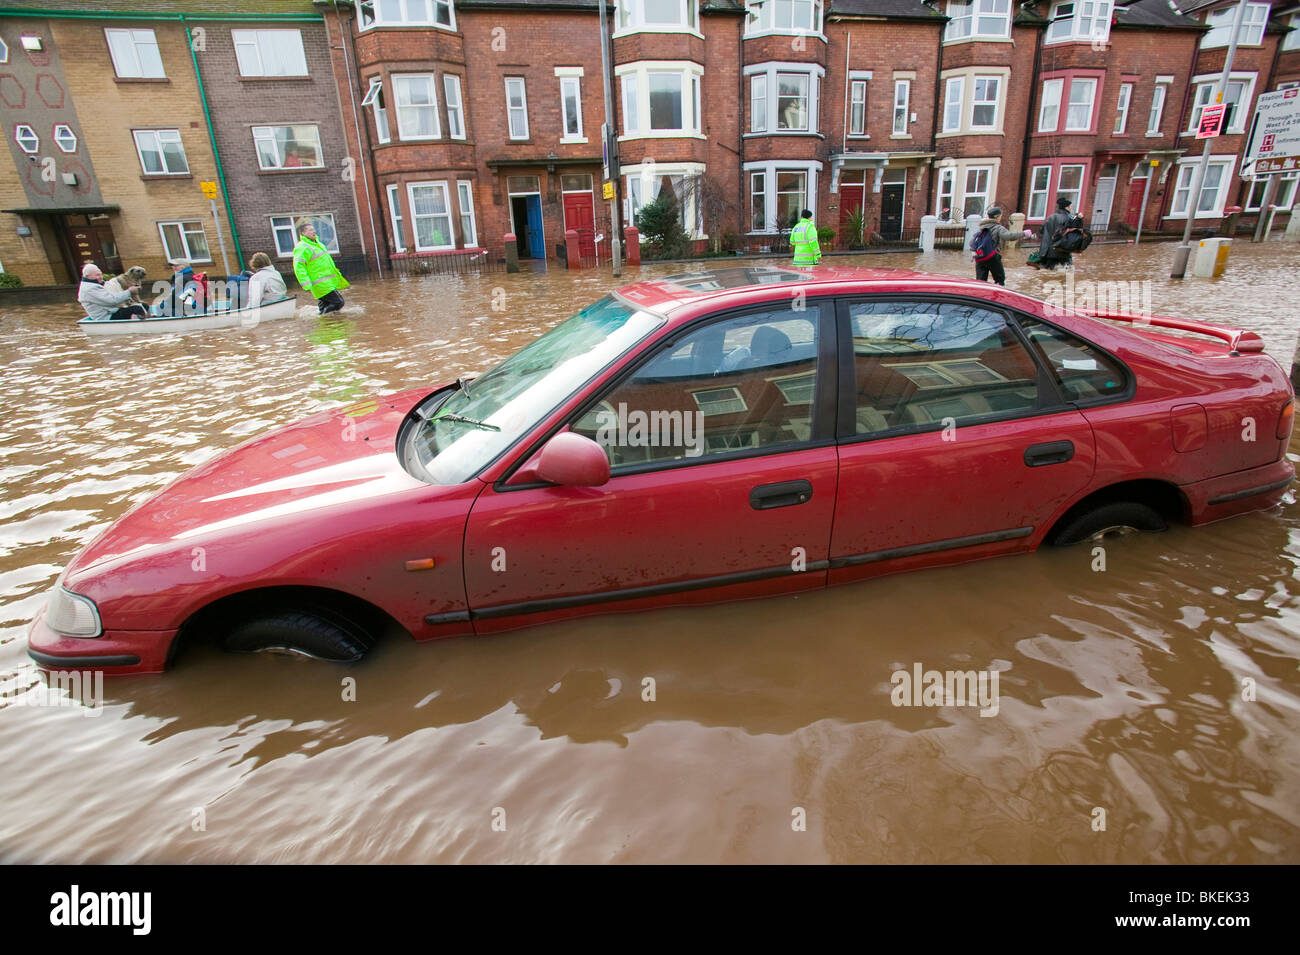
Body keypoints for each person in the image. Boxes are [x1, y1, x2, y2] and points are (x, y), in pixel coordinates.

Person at [293, 218, 349, 315]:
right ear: (303, 233)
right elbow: (299, 266)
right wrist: (305, 283)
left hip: (327, 281)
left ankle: (326, 325)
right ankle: (323, 318)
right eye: (310, 230)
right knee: (338, 302)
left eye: (314, 229)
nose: (314, 231)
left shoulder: (318, 244)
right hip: (320, 283)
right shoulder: (302, 247)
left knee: (326, 304)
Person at [77, 263, 146, 321]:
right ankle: (144, 324)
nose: (100, 277)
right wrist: (129, 292)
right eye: (97, 275)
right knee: (137, 309)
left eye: (101, 274)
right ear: (87, 276)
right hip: (106, 317)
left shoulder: (95, 284)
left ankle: (148, 319)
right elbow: (112, 300)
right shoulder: (89, 289)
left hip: (112, 311)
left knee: (144, 305)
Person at [971, 206, 1015, 286]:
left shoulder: (982, 227)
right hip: (992, 257)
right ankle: (997, 297)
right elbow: (1009, 236)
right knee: (999, 280)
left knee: (980, 282)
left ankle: (980, 296)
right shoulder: (998, 227)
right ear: (998, 217)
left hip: (980, 257)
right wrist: (1024, 233)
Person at [1033, 196, 1076, 270]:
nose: (1071, 208)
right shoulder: (1070, 218)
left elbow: (1041, 231)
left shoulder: (1050, 217)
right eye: (1069, 206)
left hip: (1048, 251)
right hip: (1063, 250)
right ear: (1066, 207)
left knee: (1047, 272)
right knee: (1069, 273)